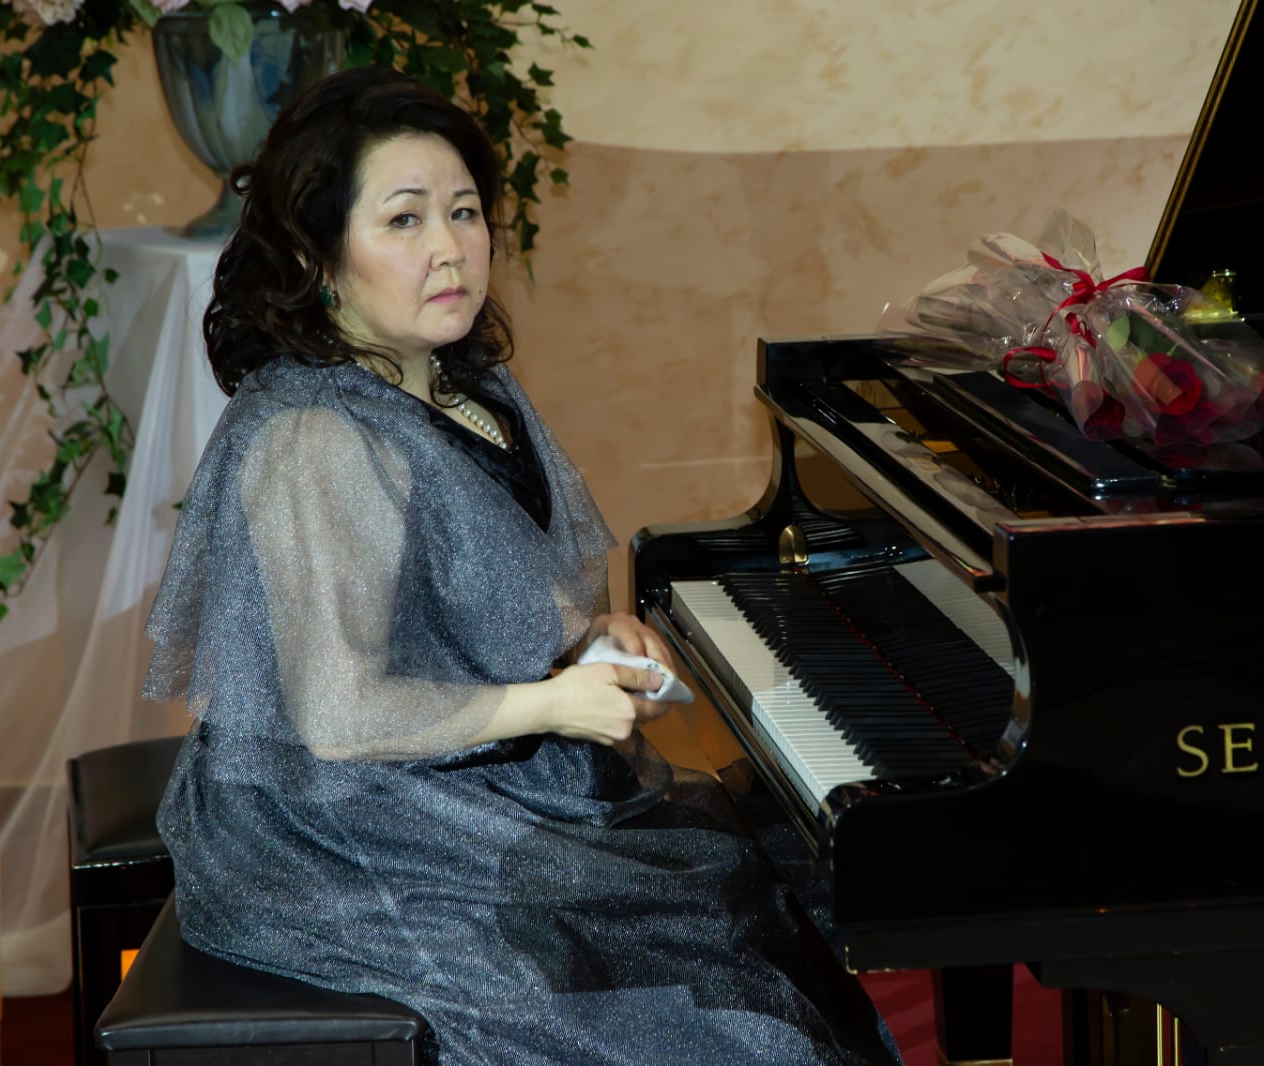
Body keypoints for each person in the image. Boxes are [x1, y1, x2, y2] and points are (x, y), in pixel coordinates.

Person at [143, 66, 899, 1065]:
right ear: (316, 256)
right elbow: (338, 714)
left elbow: (483, 596)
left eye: (463, 212)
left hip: (450, 775)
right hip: (335, 831)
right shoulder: (316, 437)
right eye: (403, 220)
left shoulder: (468, 386)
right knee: (700, 995)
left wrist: (588, 641)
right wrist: (549, 704)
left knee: (750, 886)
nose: (450, 248)